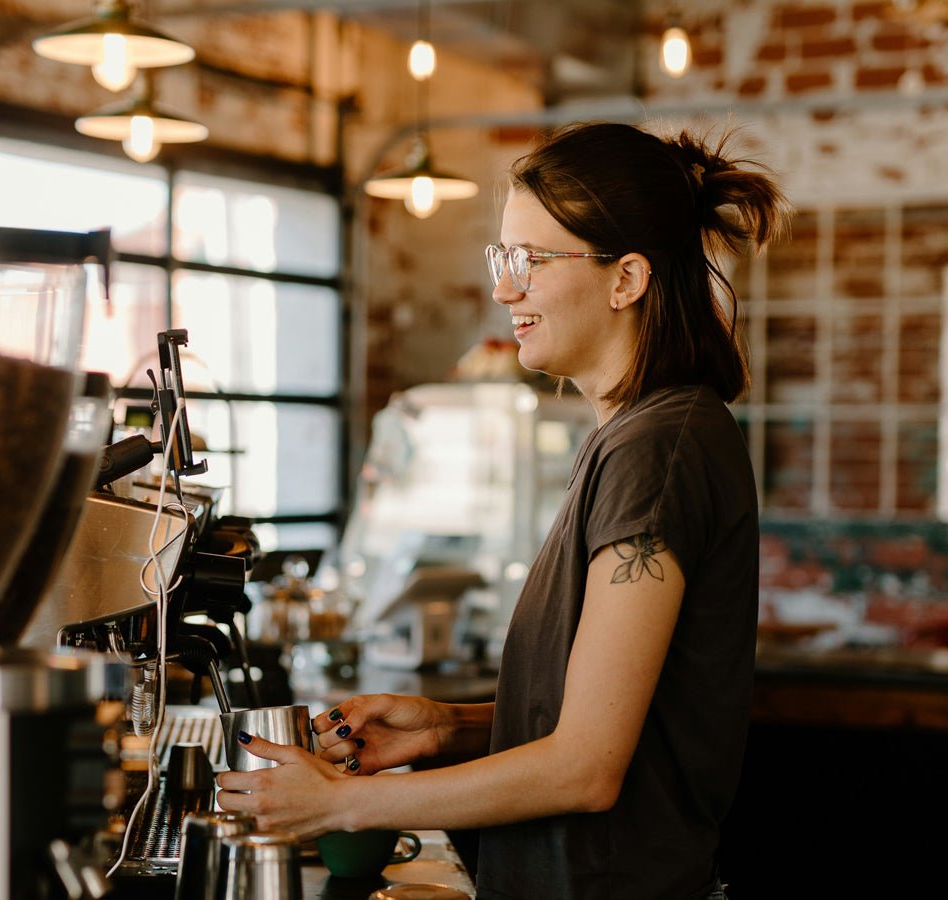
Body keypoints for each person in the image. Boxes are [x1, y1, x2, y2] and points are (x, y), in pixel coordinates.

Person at [214, 121, 787, 899]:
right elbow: (616, 710)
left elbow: (587, 767)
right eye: (501, 257)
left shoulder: (660, 448)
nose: (502, 288)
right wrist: (450, 725)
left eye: (530, 260)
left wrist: (346, 804)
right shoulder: (635, 436)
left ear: (627, 280)